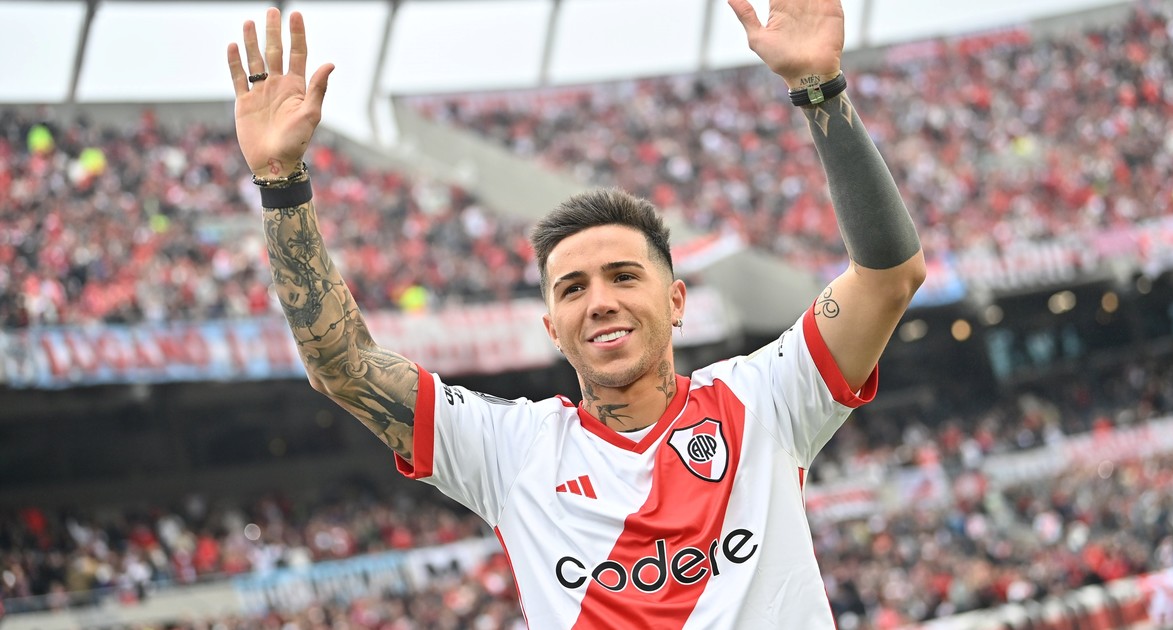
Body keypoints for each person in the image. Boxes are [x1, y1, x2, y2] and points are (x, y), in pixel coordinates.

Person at [225, 0, 925, 626]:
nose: (600, 302)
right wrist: (281, 184)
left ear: (676, 300)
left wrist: (819, 87)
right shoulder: (512, 452)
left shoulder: (765, 398)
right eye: (572, 289)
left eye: (623, 276)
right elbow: (342, 367)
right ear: (552, 329)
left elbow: (889, 275)